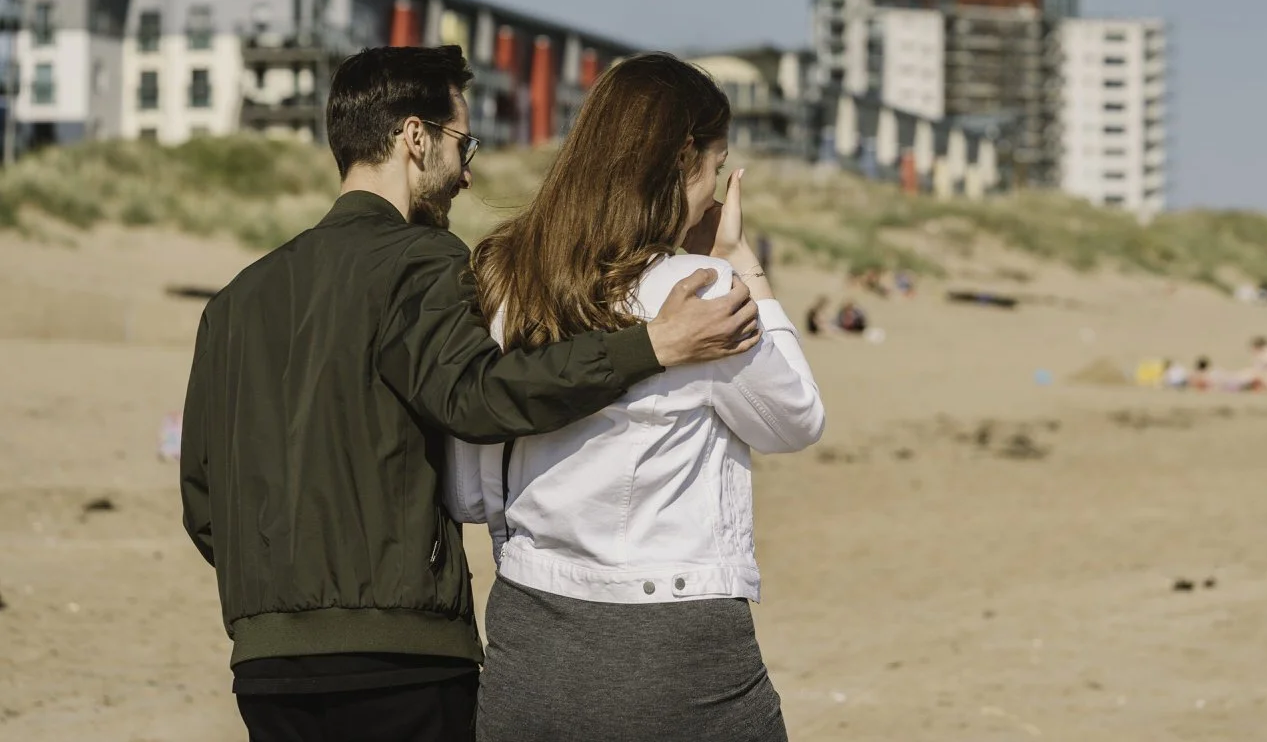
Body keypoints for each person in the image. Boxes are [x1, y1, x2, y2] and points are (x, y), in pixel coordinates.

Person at [179, 46, 758, 742]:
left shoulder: (236, 300)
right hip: (403, 654)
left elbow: (203, 499)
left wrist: (278, 590)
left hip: (266, 665)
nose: (468, 171)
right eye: (463, 144)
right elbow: (480, 397)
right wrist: (650, 346)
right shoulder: (418, 259)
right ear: (415, 137)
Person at [448, 53, 825, 742]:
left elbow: (471, 491)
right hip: (672, 643)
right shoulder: (696, 290)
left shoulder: (505, 277)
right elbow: (797, 418)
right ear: (682, 161)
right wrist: (742, 265)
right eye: (715, 167)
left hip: (529, 634)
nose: (714, 195)